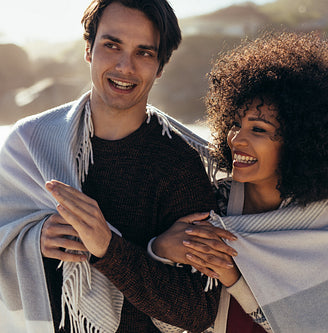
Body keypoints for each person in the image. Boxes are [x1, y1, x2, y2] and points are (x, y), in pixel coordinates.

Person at [0, 1, 230, 332]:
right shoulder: (30, 143)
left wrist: (109, 248)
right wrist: (33, 240)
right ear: (89, 49)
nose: (125, 66)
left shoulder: (181, 163)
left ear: (160, 66)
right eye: (112, 45)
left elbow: (198, 311)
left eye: (144, 53)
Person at [149, 32, 328, 333]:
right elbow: (168, 326)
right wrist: (160, 250)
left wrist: (233, 277)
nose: (236, 139)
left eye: (258, 129)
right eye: (234, 124)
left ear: (301, 142)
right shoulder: (210, 203)